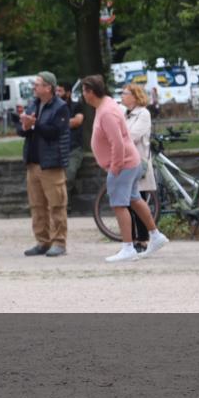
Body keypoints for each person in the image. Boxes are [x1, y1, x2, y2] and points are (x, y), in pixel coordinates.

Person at [82, 74, 168, 263]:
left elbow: (118, 143)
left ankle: (128, 247)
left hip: (123, 165)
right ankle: (155, 236)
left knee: (120, 205)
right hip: (129, 162)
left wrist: (115, 168)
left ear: (90, 92)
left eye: (84, 91)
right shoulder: (107, 105)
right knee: (135, 199)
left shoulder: (106, 112)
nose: (83, 95)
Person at [17, 72, 70, 257]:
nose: (34, 87)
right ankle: (42, 241)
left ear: (48, 87)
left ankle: (59, 242)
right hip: (33, 164)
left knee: (56, 205)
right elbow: (22, 129)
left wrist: (34, 124)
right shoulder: (33, 104)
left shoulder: (60, 107)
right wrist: (24, 126)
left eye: (38, 84)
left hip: (51, 164)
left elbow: (54, 132)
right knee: (37, 206)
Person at [121, 83, 155, 251]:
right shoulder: (123, 113)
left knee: (137, 200)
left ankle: (142, 239)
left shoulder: (143, 113)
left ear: (134, 96)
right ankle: (132, 238)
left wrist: (117, 136)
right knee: (127, 202)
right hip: (125, 161)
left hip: (137, 162)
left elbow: (133, 136)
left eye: (125, 93)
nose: (122, 96)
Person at [56, 81, 85, 196]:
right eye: (56, 91)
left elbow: (77, 121)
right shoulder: (53, 108)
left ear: (68, 93)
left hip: (73, 148)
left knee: (69, 175)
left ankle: (64, 205)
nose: (57, 93)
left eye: (60, 91)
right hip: (57, 149)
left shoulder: (76, 106)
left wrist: (56, 124)